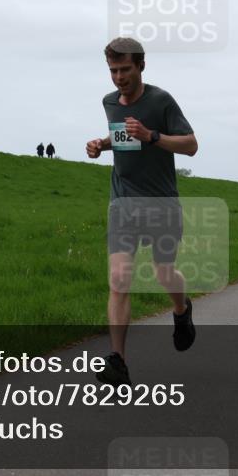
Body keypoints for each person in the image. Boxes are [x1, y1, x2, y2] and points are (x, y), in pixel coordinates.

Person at [85, 37, 198, 386]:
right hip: (123, 203)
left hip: (161, 202)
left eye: (125, 69)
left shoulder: (161, 100)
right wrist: (101, 144)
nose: (119, 77)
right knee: (119, 278)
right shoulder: (109, 102)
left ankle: (182, 310)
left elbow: (191, 145)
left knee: (165, 273)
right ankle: (117, 360)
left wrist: (152, 136)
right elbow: (122, 136)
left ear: (141, 66)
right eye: (113, 70)